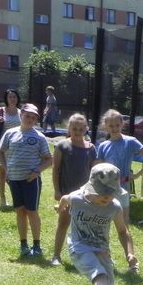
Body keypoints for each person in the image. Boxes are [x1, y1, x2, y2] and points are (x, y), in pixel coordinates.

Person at [0, 103, 52, 257]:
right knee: (20, 211)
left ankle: (37, 245)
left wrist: (36, 172)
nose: (30, 119)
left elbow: (49, 159)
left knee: (32, 211)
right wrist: (6, 169)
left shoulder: (39, 137)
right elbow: (0, 151)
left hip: (31, 181)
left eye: (33, 118)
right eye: (27, 116)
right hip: (14, 179)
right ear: (21, 115)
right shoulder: (10, 133)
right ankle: (23, 244)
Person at [95, 109, 143, 225]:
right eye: (111, 126)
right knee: (102, 220)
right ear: (106, 126)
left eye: (117, 125)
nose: (114, 128)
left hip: (123, 186)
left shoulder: (130, 141)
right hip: (105, 187)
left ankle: (125, 236)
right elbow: (99, 167)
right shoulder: (103, 146)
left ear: (122, 124)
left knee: (123, 222)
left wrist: (137, 175)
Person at [51, 113, 97, 266]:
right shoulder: (62, 145)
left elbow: (94, 172)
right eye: (74, 129)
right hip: (67, 193)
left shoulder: (91, 148)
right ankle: (56, 255)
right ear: (69, 128)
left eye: (81, 129)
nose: (77, 132)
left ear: (86, 129)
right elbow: (55, 169)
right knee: (63, 223)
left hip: (86, 195)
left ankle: (84, 257)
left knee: (85, 226)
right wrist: (57, 191)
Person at [0, 88, 22, 208]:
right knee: (2, 172)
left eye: (14, 97)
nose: (12, 99)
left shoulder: (20, 112)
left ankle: (17, 198)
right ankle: (2, 199)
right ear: (6, 98)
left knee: (14, 173)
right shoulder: (1, 110)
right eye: (10, 97)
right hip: (1, 145)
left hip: (16, 146)